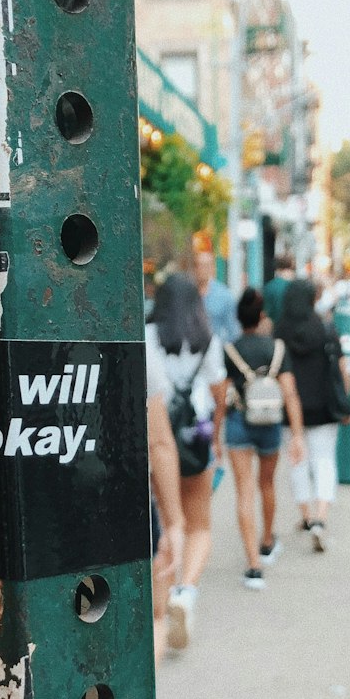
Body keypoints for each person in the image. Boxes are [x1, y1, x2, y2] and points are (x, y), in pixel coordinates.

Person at [146, 272, 227, 647]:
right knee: (199, 526)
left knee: (164, 523)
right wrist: (219, 436)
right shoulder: (206, 338)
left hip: (156, 440)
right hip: (195, 439)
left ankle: (159, 611)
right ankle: (185, 593)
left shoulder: (146, 336)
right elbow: (218, 389)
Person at [223, 287, 305, 589]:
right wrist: (297, 435)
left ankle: (253, 566)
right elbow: (290, 394)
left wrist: (214, 437)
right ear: (261, 316)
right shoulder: (277, 349)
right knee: (266, 484)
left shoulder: (229, 350)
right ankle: (267, 542)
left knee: (244, 491)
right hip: (270, 423)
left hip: (238, 423)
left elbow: (221, 395)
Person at [279, 279, 350, 552]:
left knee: (297, 462)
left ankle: (306, 516)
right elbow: (343, 369)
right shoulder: (325, 329)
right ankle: (321, 517)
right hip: (324, 408)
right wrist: (344, 402)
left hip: (291, 410)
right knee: (324, 461)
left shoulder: (280, 331)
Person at [146, 348, 185, 665]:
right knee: (150, 617)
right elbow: (158, 443)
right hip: (124, 506)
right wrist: (174, 522)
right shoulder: (128, 338)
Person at [192, 249, 237, 345]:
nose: (202, 269)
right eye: (199, 265)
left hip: (216, 351)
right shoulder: (186, 294)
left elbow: (233, 329)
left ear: (213, 268)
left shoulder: (224, 295)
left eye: (206, 266)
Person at [261, 252, 295, 331]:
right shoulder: (296, 286)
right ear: (291, 266)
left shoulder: (269, 287)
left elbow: (265, 313)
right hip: (294, 331)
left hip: (275, 330)